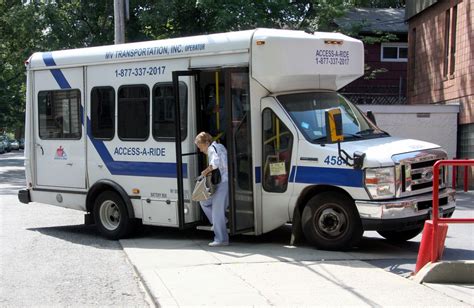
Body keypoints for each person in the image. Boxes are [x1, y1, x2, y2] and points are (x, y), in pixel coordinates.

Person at [194, 131, 229, 247]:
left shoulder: (211, 149)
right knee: (204, 201)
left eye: (200, 146)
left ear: (207, 143)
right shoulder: (220, 146)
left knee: (216, 211)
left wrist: (205, 172)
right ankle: (219, 222)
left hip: (222, 183)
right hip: (225, 181)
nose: (200, 150)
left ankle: (221, 239)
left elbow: (215, 164)